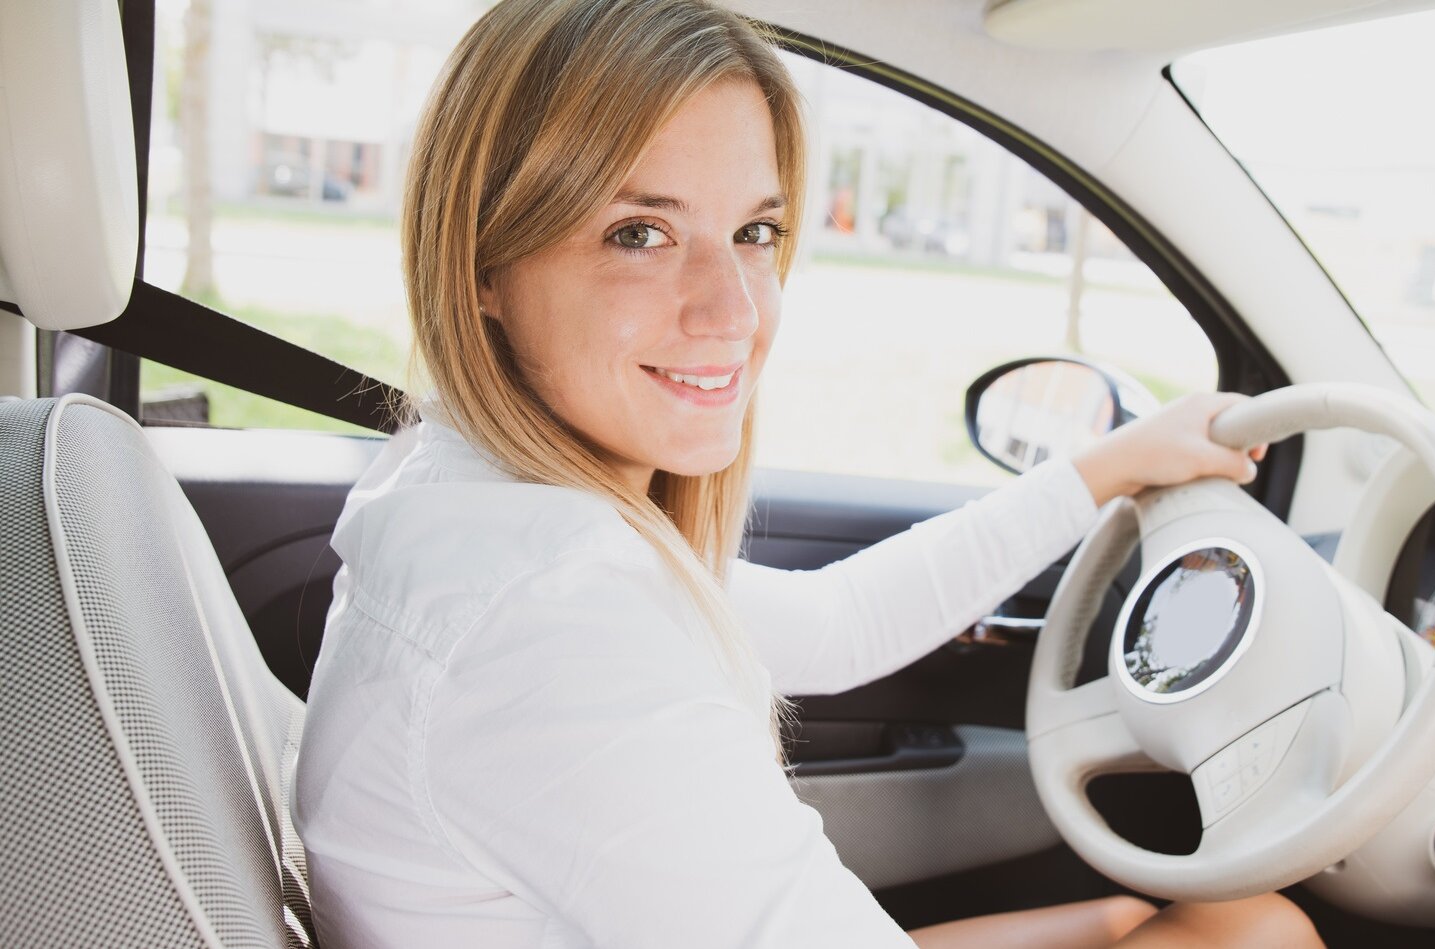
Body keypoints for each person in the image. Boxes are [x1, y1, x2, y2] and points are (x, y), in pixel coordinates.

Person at [291, 1, 1325, 946]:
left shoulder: (460, 495)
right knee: (1252, 932)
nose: (734, 311)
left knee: (1134, 916)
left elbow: (837, 624)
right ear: (482, 265)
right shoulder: (553, 629)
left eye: (753, 232)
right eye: (638, 233)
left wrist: (1108, 466)